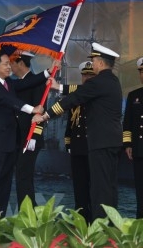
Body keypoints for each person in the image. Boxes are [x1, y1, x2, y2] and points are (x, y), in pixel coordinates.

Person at [33, 42, 123, 221]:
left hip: (100, 143)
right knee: (109, 186)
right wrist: (59, 87)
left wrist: (46, 115)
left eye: (94, 61)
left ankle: (100, 228)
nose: (93, 64)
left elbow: (74, 99)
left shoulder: (99, 82)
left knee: (100, 188)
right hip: (111, 142)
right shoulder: (111, 81)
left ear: (100, 62)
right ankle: (112, 225)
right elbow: (82, 90)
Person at [0, 49, 56, 218]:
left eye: (10, 63)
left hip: (9, 143)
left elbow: (27, 83)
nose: (9, 67)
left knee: (4, 185)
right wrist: (32, 109)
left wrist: (48, 72)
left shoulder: (8, 84)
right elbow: (8, 100)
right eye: (6, 64)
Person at [10, 51, 46, 209]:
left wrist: (32, 138)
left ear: (20, 63)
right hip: (18, 138)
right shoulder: (17, 83)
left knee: (23, 176)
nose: (10, 66)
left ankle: (28, 214)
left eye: (12, 62)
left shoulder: (36, 83)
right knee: (21, 176)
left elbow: (40, 112)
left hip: (30, 138)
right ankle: (28, 213)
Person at [64, 61, 95, 223]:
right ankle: (82, 222)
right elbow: (70, 122)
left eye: (91, 75)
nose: (87, 78)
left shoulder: (97, 93)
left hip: (94, 148)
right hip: (77, 148)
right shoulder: (75, 97)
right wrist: (68, 143)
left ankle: (96, 223)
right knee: (80, 189)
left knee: (95, 189)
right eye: (85, 75)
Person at [123, 57, 143, 219]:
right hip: (139, 149)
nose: (142, 75)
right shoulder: (133, 96)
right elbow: (127, 123)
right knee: (140, 189)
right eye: (141, 72)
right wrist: (128, 144)